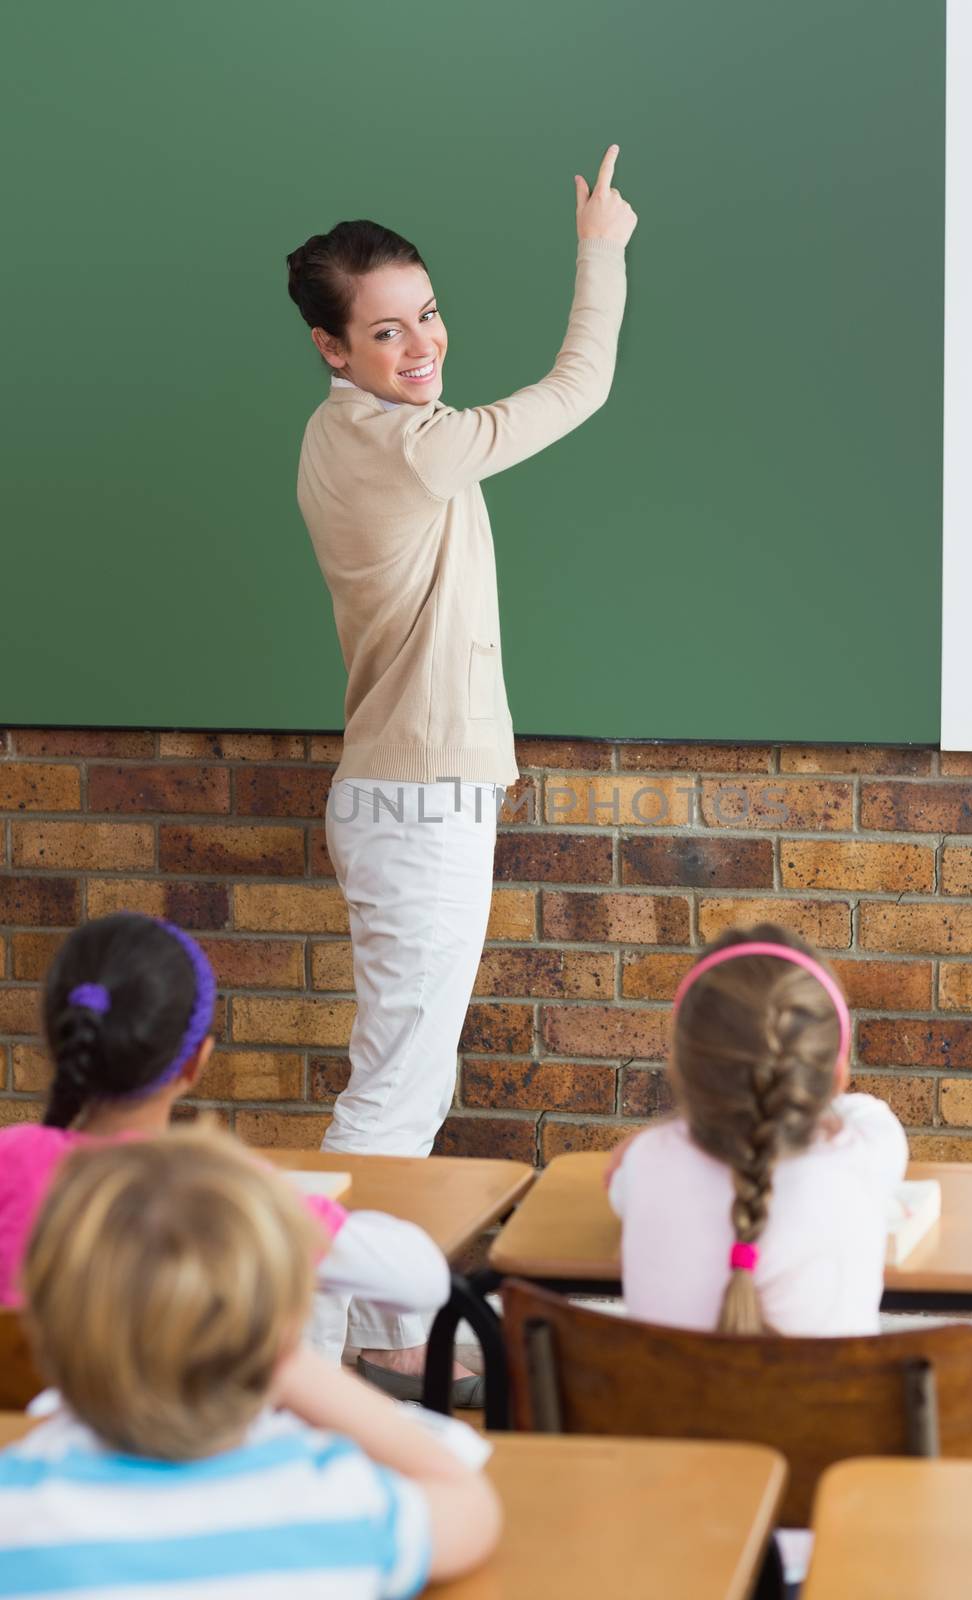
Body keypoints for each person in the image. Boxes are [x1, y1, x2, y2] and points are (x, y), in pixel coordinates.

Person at [286, 145, 637, 1394]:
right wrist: (603, 251)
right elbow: (580, 386)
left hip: (407, 794)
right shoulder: (409, 449)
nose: (421, 344)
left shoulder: (351, 435)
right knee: (391, 1096)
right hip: (417, 803)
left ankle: (373, 1336)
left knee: (407, 1080)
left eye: (427, 314)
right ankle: (309, 1351)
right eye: (385, 331)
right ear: (335, 348)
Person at [0, 1126, 500, 1595]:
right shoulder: (342, 1508)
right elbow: (467, 1501)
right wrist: (287, 1362)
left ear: (46, 1330)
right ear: (280, 1336)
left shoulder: (14, 1511)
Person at [0, 912, 449, 1367]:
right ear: (196, 1061)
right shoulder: (222, 1193)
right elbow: (422, 1277)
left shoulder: (9, 1156)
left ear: (56, 1039)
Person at [607, 922, 908, 1336]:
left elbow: (619, 1188)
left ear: (678, 1067)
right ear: (837, 1075)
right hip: (826, 1403)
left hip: (665, 1402)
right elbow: (869, 1116)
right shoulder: (864, 1154)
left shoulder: (647, 1162)